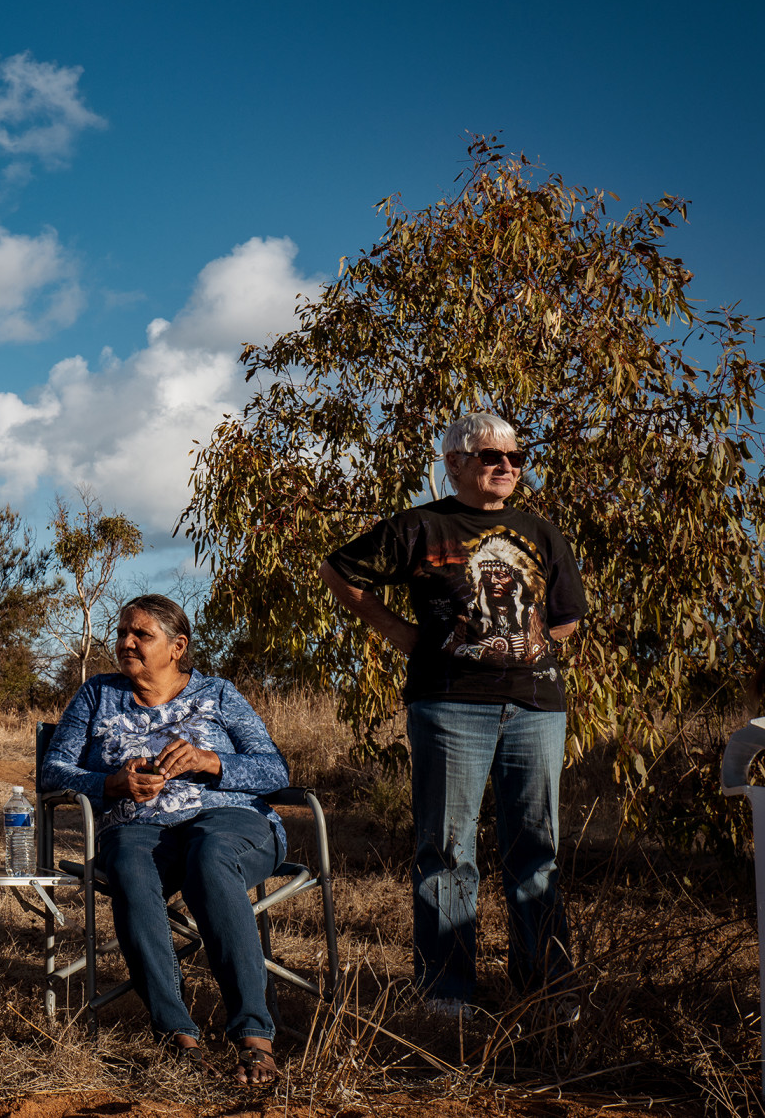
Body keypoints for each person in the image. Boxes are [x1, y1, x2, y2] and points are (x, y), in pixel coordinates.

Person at [320, 411, 586, 1023]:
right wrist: (402, 634)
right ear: (456, 462)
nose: (508, 468)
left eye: (517, 459)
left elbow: (568, 614)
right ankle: (446, 993)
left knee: (536, 849)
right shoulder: (423, 526)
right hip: (449, 704)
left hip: (536, 707)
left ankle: (545, 988)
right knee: (445, 850)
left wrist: (526, 645)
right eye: (493, 457)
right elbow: (339, 569)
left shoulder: (541, 533)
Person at [39, 594, 289, 1084]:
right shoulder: (97, 695)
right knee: (130, 869)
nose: (126, 643)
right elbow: (53, 772)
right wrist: (111, 783)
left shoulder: (218, 694)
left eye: (141, 635)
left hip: (228, 822)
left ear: (177, 647)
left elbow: (274, 769)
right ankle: (178, 1037)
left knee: (211, 858)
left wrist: (208, 761)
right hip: (135, 825)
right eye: (122, 633)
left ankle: (254, 1038)